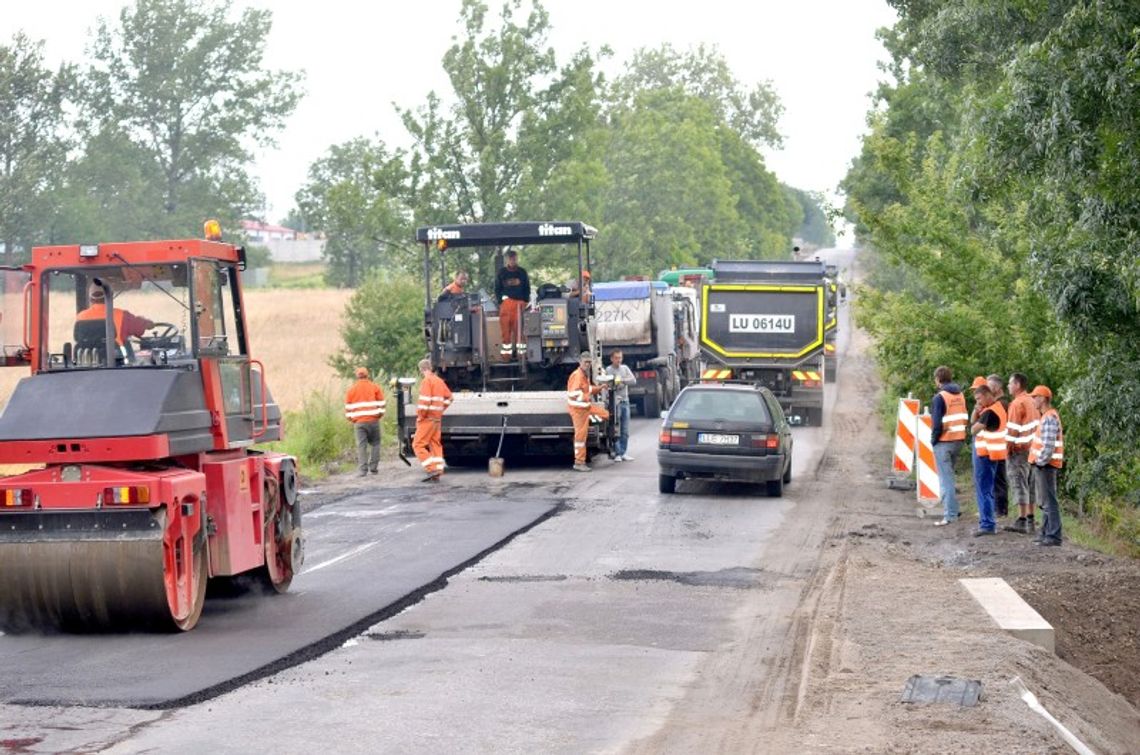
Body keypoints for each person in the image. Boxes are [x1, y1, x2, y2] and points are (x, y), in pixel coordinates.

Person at [930, 366, 968, 526]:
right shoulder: (960, 395)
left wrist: (933, 440)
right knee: (949, 477)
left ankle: (950, 515)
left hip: (944, 442)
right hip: (958, 440)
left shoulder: (940, 397)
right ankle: (954, 509)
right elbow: (965, 417)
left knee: (945, 480)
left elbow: (937, 423)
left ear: (938, 380)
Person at [1004, 372, 1040, 534]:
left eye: (1010, 383)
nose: (1008, 386)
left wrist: (1008, 449)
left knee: (1019, 482)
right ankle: (1031, 519)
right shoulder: (1032, 401)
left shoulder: (1017, 403)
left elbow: (1013, 429)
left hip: (1018, 449)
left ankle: (1021, 520)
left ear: (1017, 385)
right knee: (1031, 484)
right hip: (1032, 449)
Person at [1029, 385, 1064, 546]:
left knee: (1049, 501)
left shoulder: (1049, 417)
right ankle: (1045, 533)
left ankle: (1053, 536)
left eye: (1035, 397)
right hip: (1045, 465)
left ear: (1043, 398)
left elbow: (1048, 446)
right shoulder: (1047, 416)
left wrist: (1039, 462)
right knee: (1045, 501)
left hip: (1046, 465)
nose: (1033, 400)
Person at [970, 384, 1006, 537]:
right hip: (991, 454)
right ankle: (987, 522)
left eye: (979, 399)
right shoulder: (996, 408)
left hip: (986, 455)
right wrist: (978, 408)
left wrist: (978, 410)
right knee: (987, 489)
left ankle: (987, 524)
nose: (978, 402)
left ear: (986, 395)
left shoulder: (990, 412)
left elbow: (973, 429)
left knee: (984, 490)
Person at [566, 352, 610, 472]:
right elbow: (574, 394)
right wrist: (586, 397)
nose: (588, 364)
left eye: (589, 362)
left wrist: (599, 388)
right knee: (580, 437)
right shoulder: (577, 375)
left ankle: (608, 443)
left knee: (606, 414)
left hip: (586, 407)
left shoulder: (584, 375)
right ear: (580, 362)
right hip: (579, 410)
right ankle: (579, 462)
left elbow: (588, 389)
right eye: (586, 362)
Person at [413, 358, 453, 482]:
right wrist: (440, 409)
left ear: (422, 369)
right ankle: (438, 470)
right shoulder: (439, 381)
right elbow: (450, 398)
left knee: (417, 445)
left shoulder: (427, 381)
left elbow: (425, 402)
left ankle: (431, 469)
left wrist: (421, 415)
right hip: (436, 418)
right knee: (435, 443)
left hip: (427, 418)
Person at [76, 285, 154, 347]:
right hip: (118, 360)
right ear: (110, 296)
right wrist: (147, 323)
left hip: (88, 360)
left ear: (90, 299)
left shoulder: (80, 317)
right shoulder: (123, 315)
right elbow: (139, 328)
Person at [344, 367, 386, 477]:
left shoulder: (351, 390)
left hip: (359, 423)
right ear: (368, 375)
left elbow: (348, 409)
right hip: (373, 421)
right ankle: (374, 468)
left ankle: (363, 471)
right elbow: (382, 404)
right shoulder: (375, 387)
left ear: (357, 376)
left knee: (361, 446)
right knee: (376, 444)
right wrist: (378, 415)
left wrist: (353, 420)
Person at [495, 250, 530, 360]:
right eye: (510, 258)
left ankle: (521, 355)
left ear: (517, 259)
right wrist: (501, 301)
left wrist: (524, 301)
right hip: (506, 305)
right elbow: (497, 289)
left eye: (514, 258)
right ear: (507, 260)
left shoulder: (522, 272)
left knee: (520, 331)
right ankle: (506, 356)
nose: (513, 260)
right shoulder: (501, 273)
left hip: (519, 305)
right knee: (505, 332)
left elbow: (527, 288)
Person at [604, 350, 637, 461]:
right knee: (615, 428)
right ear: (612, 359)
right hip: (615, 403)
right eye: (616, 358)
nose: (619, 360)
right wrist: (615, 383)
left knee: (625, 429)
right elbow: (608, 384)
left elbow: (633, 380)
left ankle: (623, 452)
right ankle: (617, 453)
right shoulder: (609, 370)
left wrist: (621, 380)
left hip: (625, 401)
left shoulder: (625, 368)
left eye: (620, 358)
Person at [987, 374, 1010, 518]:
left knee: (999, 479)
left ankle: (1000, 510)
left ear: (996, 387)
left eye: (989, 387)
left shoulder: (1002, 404)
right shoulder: (1000, 403)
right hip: (999, 446)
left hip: (1000, 446)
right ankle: (999, 509)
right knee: (997, 478)